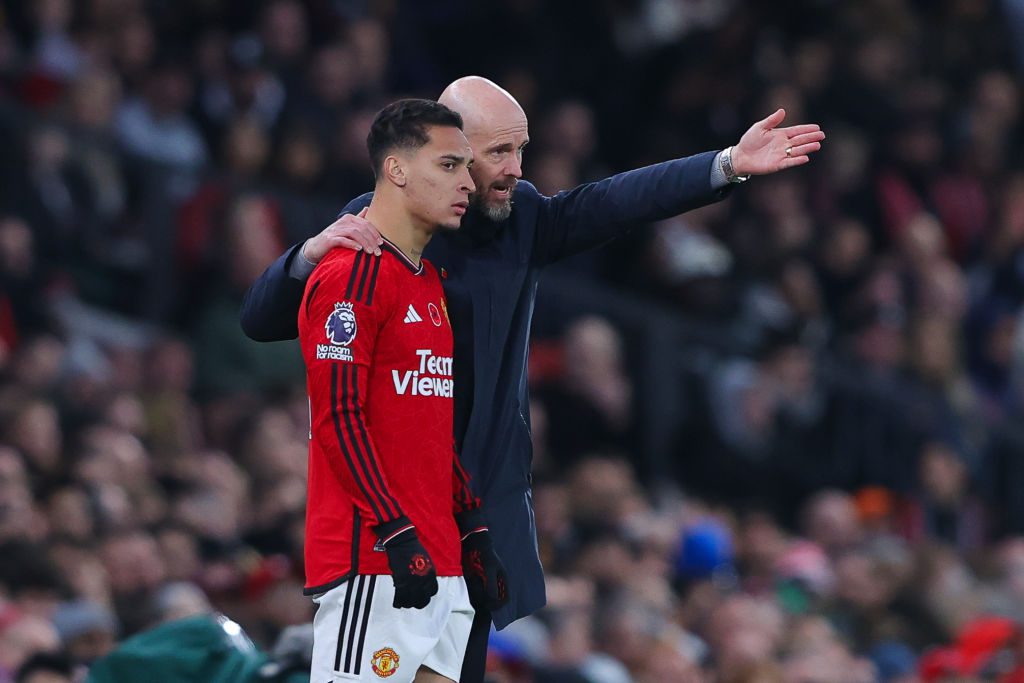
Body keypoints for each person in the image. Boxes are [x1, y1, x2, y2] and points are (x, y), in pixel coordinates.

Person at [241, 76, 825, 682]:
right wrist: (306, 256)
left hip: (470, 521)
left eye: (520, 149)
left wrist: (726, 164)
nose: (514, 168)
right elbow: (265, 324)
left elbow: (617, 200)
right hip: (387, 525)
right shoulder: (373, 234)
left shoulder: (522, 221)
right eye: (497, 152)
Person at [298, 99, 507, 683]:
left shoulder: (430, 283)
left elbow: (427, 426)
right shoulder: (351, 275)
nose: (468, 182)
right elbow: (338, 419)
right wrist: (394, 528)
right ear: (395, 170)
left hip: (438, 560)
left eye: (467, 166)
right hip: (376, 558)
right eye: (448, 165)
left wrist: (472, 527)